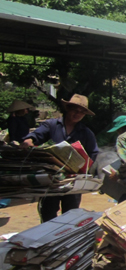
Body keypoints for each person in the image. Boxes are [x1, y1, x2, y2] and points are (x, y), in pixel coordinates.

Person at [22, 94, 99, 222]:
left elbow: (93, 154)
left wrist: (83, 166)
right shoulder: (52, 125)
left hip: (73, 179)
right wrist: (29, 140)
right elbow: (37, 135)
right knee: (48, 212)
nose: (77, 114)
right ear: (68, 108)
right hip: (51, 179)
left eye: (82, 112)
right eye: (75, 110)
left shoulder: (86, 132)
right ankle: (48, 239)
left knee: (71, 214)